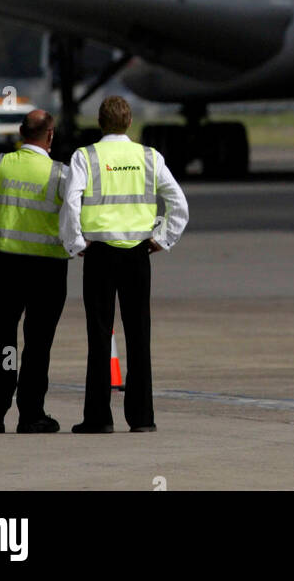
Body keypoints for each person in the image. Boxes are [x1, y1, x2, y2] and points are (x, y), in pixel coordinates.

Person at [60, 95, 189, 433]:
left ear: (100, 122)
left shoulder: (85, 156)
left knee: (100, 335)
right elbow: (178, 203)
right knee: (139, 334)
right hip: (137, 253)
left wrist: (75, 244)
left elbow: (71, 203)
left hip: (99, 251)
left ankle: (99, 417)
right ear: (129, 122)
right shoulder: (149, 156)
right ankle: (143, 418)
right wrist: (162, 239)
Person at [0, 109, 69, 433]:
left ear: (20, 133)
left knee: (3, 338)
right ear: (50, 135)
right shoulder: (60, 174)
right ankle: (31, 413)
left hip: (8, 265)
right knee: (38, 342)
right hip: (47, 268)